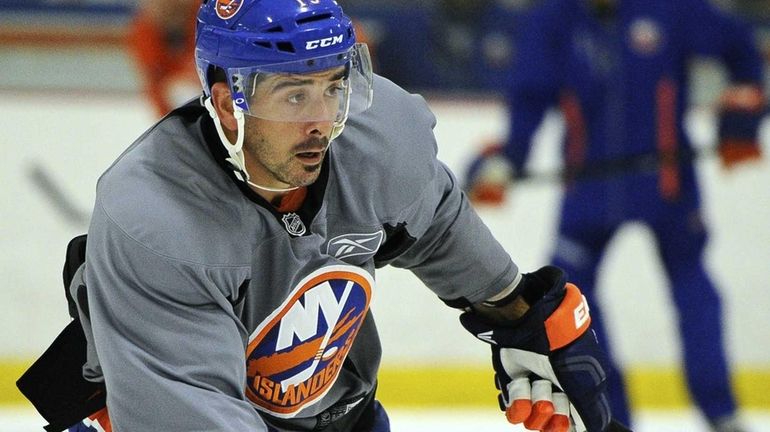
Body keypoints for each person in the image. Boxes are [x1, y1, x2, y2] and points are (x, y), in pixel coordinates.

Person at [17, 1, 632, 431]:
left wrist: (520, 315)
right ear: (229, 101)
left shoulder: (376, 140)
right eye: (293, 94)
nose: (322, 122)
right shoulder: (154, 219)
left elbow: (433, 221)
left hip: (340, 415)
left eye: (333, 87)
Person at [465, 0, 767, 431]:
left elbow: (740, 46)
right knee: (568, 298)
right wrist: (509, 157)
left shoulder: (669, 8)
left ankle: (721, 412)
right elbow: (529, 97)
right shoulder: (553, 18)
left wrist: (744, 111)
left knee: (693, 288)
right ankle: (611, 416)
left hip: (668, 184)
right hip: (587, 188)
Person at [126, 0, 201, 118]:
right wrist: (167, 121)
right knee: (181, 91)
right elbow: (155, 83)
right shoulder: (144, 33)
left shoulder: (205, 15)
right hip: (183, 90)